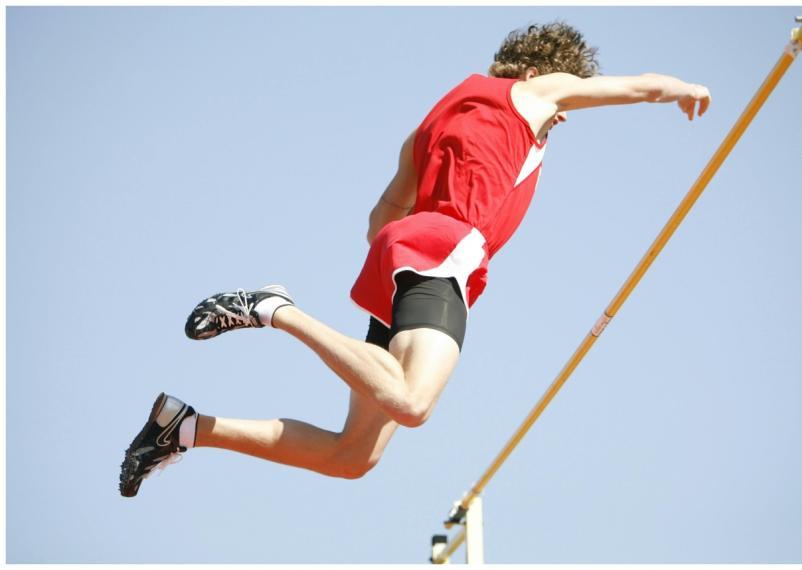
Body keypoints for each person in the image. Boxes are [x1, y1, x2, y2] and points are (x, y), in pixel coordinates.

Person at [119, 21, 710, 497]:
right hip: (443, 251)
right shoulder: (534, 93)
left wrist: (401, 255)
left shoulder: (432, 122)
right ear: (540, 73)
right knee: (412, 402)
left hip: (401, 262)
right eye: (566, 103)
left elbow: (383, 214)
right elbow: (641, 86)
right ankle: (276, 310)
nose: (561, 117)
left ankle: (186, 429)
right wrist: (684, 88)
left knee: (351, 457)